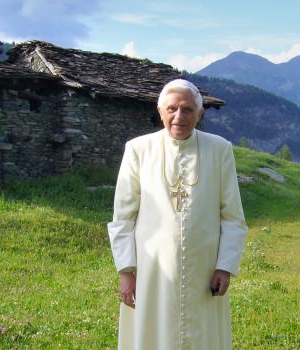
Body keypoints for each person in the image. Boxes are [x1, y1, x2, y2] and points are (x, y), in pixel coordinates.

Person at [107, 79, 248, 350]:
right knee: (152, 334)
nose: (178, 117)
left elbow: (232, 216)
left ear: (200, 113)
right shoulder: (138, 150)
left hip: (204, 267)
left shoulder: (220, 150)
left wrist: (225, 266)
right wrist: (126, 271)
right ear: (160, 112)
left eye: (187, 110)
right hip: (152, 269)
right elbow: (123, 216)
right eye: (171, 109)